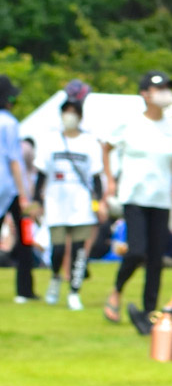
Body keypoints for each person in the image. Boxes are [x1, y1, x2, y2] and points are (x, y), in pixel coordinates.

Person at [101, 71, 172, 326]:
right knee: (137, 250)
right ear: (145, 94)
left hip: (161, 199)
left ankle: (149, 311)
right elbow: (106, 147)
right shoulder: (130, 123)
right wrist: (111, 180)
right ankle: (116, 290)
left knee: (156, 257)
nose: (165, 93)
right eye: (159, 88)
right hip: (135, 196)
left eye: (167, 88)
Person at [35, 92, 103, 310]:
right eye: (66, 112)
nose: (69, 116)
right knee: (57, 248)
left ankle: (74, 290)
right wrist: (37, 200)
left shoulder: (89, 142)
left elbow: (96, 175)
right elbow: (41, 173)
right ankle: (55, 277)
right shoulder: (50, 140)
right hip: (56, 202)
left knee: (79, 250)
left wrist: (99, 202)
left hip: (81, 203)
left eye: (74, 112)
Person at [0, 74, 35, 304]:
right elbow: (15, 161)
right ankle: (24, 289)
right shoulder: (9, 123)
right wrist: (24, 195)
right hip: (9, 188)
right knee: (24, 239)